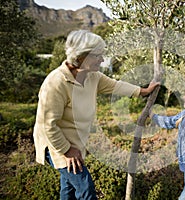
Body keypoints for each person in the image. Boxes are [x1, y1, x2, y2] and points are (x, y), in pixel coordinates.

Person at [33, 30, 159, 200]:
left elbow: (116, 86)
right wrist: (67, 150)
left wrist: (143, 91)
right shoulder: (56, 83)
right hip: (56, 143)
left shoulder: (93, 77)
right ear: (81, 57)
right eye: (98, 55)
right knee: (86, 189)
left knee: (68, 188)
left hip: (75, 141)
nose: (102, 59)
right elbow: (48, 125)